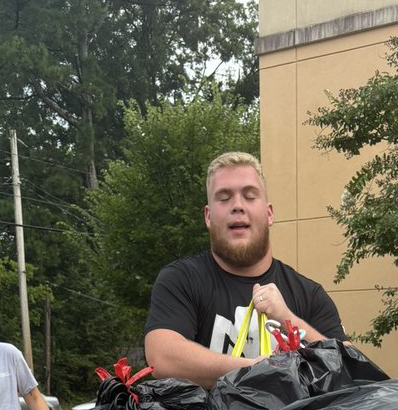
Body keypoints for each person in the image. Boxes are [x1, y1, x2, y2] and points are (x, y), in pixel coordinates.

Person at [144, 151, 347, 387]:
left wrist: (288, 320)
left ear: (269, 213)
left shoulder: (309, 294)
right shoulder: (182, 280)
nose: (237, 206)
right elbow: (162, 358)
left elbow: (349, 368)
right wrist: (259, 371)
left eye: (250, 196)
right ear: (208, 217)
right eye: (224, 197)